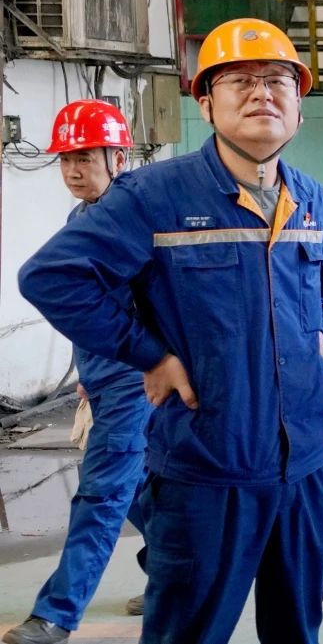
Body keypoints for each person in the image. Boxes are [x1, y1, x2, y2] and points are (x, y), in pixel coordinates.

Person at [18, 18, 323, 644]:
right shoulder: (153, 196)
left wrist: (316, 322)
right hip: (206, 470)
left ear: (298, 105)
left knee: (299, 631)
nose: (262, 93)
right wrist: (148, 353)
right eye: (240, 81)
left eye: (278, 80)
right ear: (205, 103)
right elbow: (52, 277)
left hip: (306, 468)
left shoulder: (314, 200)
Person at [4, 101, 152, 644]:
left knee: (102, 493)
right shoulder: (82, 218)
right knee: (140, 489)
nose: (72, 170)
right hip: (107, 379)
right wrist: (87, 373)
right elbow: (84, 304)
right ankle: (174, 572)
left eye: (85, 157)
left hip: (138, 379)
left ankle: (56, 615)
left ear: (118, 157)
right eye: (66, 159)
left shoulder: (139, 216)